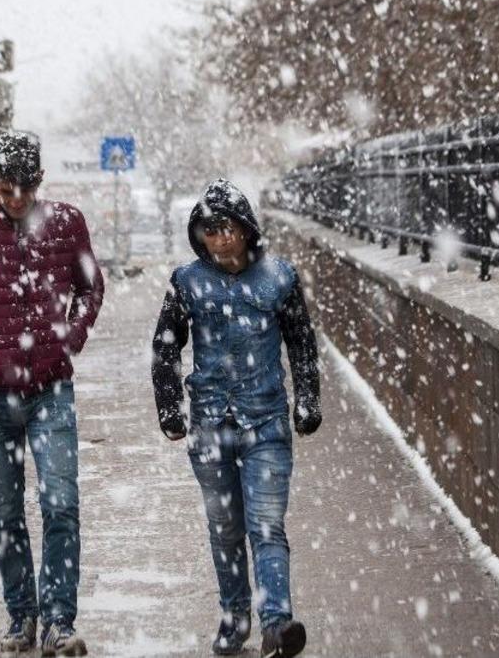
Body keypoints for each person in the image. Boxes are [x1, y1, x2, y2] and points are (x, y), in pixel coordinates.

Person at [0, 131, 105, 657]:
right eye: (6, 189)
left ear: (39, 182)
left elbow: (91, 286)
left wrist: (70, 338)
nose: (16, 199)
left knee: (61, 504)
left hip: (51, 389)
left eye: (25, 189)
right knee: (6, 514)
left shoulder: (65, 224)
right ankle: (20, 617)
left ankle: (59, 621)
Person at [150, 178, 322, 657]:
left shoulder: (279, 279)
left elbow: (302, 343)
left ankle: (277, 624)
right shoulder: (186, 284)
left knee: (266, 525)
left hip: (265, 420)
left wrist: (307, 398)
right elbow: (165, 349)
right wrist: (169, 407)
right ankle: (234, 617)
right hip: (209, 426)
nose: (221, 238)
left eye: (229, 228)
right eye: (211, 229)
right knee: (225, 529)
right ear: (200, 234)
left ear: (247, 230)